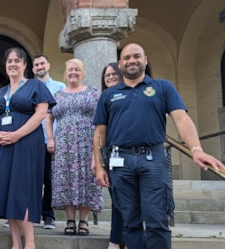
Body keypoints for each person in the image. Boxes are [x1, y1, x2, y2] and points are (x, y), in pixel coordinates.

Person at [93, 43, 225, 249]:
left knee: (157, 221)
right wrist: (100, 166)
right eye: (127, 58)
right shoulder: (108, 95)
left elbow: (181, 119)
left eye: (137, 56)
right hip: (120, 162)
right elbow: (100, 133)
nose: (132, 61)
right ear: (120, 64)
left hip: (153, 161)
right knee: (130, 223)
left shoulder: (162, 88)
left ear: (145, 60)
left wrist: (196, 149)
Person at [0, 47, 56, 249]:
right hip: (2, 145)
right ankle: (15, 243)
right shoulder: (2, 91)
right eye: (9, 61)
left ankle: (29, 244)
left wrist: (16, 135)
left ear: (24, 65)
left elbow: (40, 114)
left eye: (17, 60)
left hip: (26, 143)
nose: (12, 64)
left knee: (23, 190)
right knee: (7, 191)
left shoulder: (35, 86)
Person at [45, 58, 103, 236]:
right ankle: (70, 220)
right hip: (64, 144)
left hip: (87, 143)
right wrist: (50, 139)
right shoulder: (58, 96)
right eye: (70, 69)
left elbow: (101, 120)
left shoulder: (93, 93)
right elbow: (49, 118)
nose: (73, 72)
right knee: (67, 179)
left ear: (82, 73)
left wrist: (99, 145)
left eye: (77, 69)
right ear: (65, 72)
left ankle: (84, 221)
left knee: (87, 178)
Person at [32, 54, 66, 230]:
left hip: (52, 141)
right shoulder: (29, 87)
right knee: (31, 179)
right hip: (32, 141)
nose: (39, 66)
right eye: (36, 64)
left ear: (48, 65)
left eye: (42, 63)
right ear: (33, 69)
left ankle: (48, 215)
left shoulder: (60, 87)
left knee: (50, 180)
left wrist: (56, 138)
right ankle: (30, 213)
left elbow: (61, 115)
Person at [100, 63, 126, 249]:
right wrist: (98, 161)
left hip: (131, 154)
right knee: (118, 200)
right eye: (107, 75)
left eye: (113, 74)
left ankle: (121, 241)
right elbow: (99, 132)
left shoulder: (129, 96)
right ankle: (116, 241)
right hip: (110, 155)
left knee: (130, 203)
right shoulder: (104, 98)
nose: (110, 77)